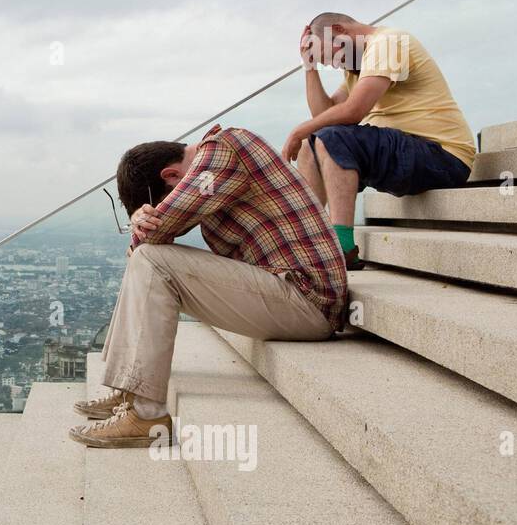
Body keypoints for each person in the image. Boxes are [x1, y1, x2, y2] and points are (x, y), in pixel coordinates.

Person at [69, 125, 347, 448]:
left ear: (171, 175)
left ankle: (146, 415)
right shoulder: (215, 176)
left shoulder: (224, 148)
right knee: (146, 258)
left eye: (161, 199)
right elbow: (152, 238)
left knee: (150, 259)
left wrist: (144, 222)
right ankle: (128, 390)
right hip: (288, 292)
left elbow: (158, 229)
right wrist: (143, 227)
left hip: (309, 299)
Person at [284, 13, 475, 269]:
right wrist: (309, 68)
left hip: (442, 156)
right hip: (407, 153)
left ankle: (342, 248)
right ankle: (313, 245)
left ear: (339, 30)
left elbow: (353, 112)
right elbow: (324, 116)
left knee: (330, 137)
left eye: (331, 56)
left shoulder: (388, 42)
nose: (334, 64)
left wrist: (297, 131)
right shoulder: (357, 69)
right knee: (311, 144)